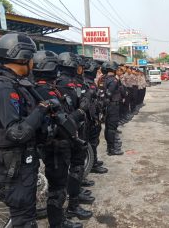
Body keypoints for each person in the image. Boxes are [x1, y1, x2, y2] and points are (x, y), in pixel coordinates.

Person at [0, 33, 48, 227]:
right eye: (31, 58)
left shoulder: (15, 83)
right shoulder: (3, 88)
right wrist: (42, 110)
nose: (33, 63)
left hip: (21, 160)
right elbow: (17, 132)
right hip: (14, 163)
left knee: (27, 212)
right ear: (23, 57)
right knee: (23, 218)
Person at [32, 50, 83, 228]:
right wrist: (80, 112)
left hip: (59, 142)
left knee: (59, 186)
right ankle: (57, 223)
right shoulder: (43, 91)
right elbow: (61, 119)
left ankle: (59, 220)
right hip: (54, 145)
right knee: (57, 189)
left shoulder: (47, 88)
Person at [56, 52, 94, 220]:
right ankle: (73, 205)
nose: (81, 69)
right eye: (79, 66)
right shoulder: (66, 84)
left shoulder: (66, 82)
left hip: (75, 129)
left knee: (76, 168)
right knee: (75, 167)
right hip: (72, 131)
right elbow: (75, 108)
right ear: (72, 66)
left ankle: (76, 195)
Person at [83, 60, 108, 174]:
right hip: (90, 119)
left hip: (94, 118)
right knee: (91, 143)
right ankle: (92, 164)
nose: (98, 72)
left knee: (94, 141)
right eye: (96, 70)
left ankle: (94, 161)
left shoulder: (90, 82)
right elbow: (89, 104)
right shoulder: (86, 84)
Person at [104, 61, 124, 156]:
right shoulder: (114, 81)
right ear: (114, 70)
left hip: (108, 106)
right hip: (113, 106)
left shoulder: (104, 79)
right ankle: (111, 149)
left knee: (108, 127)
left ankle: (109, 147)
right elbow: (109, 94)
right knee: (111, 128)